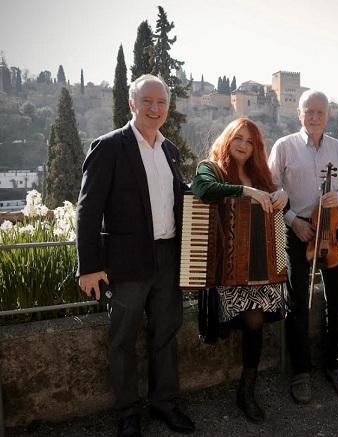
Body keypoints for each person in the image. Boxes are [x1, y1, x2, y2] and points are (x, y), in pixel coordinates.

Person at [76, 74, 195, 437]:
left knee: (165, 334)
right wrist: (90, 266)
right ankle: (128, 414)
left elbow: (180, 198)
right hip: (127, 262)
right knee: (123, 339)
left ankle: (165, 405)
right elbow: (88, 208)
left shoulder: (170, 150)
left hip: (167, 256)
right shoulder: (109, 146)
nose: (155, 109)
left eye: (162, 103)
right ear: (132, 103)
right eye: (148, 102)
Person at [190, 118, 288, 423]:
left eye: (250, 141)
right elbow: (202, 189)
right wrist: (246, 192)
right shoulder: (212, 168)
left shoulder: (261, 173)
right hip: (227, 264)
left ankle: (247, 390)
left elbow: (275, 207)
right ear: (228, 138)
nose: (244, 145)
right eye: (239, 138)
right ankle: (242, 388)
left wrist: (282, 196)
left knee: (255, 322)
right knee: (244, 321)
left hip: (262, 265)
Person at [268, 89, 338, 403]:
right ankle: (301, 371)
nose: (315, 117)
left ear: (328, 115)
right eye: (309, 111)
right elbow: (271, 188)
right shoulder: (284, 146)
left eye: (320, 112)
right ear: (299, 113)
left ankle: (335, 365)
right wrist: (293, 220)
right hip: (299, 230)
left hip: (331, 230)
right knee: (297, 302)